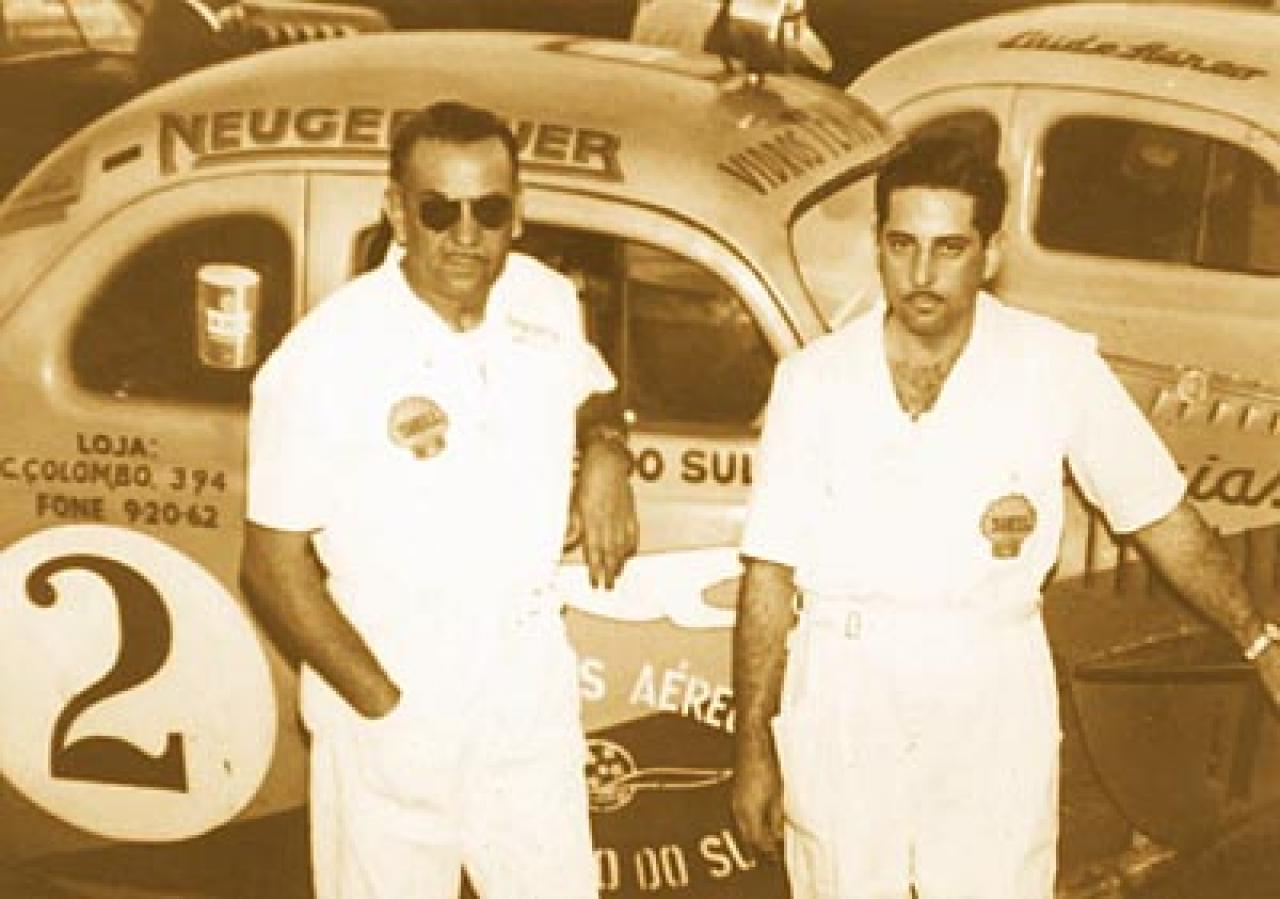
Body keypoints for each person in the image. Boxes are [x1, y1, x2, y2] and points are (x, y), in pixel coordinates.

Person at [730, 136, 1280, 899]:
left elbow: (1159, 513)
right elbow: (768, 572)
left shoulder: (1052, 366)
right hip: (847, 689)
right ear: (878, 244)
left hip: (988, 688)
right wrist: (752, 745)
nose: (922, 274)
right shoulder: (813, 381)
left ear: (990, 253)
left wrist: (1255, 635)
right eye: (903, 245)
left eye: (949, 247)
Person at [240, 100, 635, 899]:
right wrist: (383, 704)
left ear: (517, 214)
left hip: (525, 695)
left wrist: (607, 452)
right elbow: (271, 565)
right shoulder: (325, 356)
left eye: (488, 209)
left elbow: (593, 389)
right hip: (394, 696)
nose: (465, 234)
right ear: (396, 211)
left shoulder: (545, 300)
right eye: (438, 209)